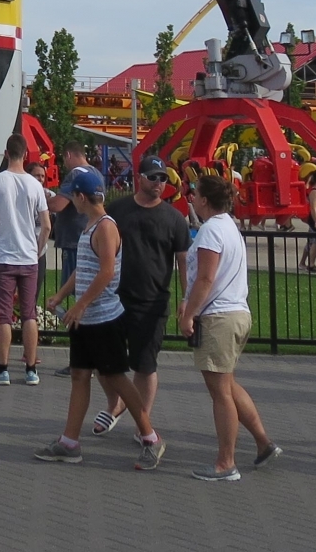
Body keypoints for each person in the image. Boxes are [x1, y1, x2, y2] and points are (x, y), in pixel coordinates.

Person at [33, 168, 166, 470]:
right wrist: (63, 295)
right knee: (80, 375)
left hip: (105, 318)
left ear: (81, 196)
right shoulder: (90, 225)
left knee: (116, 377)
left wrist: (79, 305)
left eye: (72, 196)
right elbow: (86, 268)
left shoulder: (105, 227)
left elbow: (107, 271)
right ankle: (69, 442)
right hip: (87, 320)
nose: (71, 201)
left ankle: (151, 438)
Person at [179, 174, 279, 482]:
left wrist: (188, 313)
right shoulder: (229, 227)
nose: (192, 198)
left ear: (205, 200)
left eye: (195, 194)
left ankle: (226, 463)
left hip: (219, 317)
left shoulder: (210, 231)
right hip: (237, 312)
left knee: (219, 391)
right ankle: (263, 443)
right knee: (229, 385)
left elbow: (205, 279)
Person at [92, 155, 188, 437]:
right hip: (115, 298)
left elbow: (183, 261)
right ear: (140, 178)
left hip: (152, 303)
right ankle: (115, 405)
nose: (159, 183)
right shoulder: (118, 210)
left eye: (164, 178)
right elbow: (100, 245)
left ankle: (141, 423)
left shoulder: (174, 218)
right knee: (105, 362)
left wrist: (186, 298)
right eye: (154, 177)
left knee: (144, 366)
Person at [0, 132, 51, 386]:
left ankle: (3, 369)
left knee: (4, 314)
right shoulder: (35, 185)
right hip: (28, 257)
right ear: (25, 155)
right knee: (29, 313)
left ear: (6, 153)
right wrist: (38, 249)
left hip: (3, 255)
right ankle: (31, 369)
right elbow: (46, 225)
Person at [45, 142, 90, 377]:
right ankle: (86, 357)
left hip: (73, 242)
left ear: (69, 155)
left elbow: (59, 204)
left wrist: (41, 199)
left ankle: (79, 360)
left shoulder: (75, 174)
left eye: (64, 159)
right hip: (84, 239)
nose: (64, 164)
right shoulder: (94, 173)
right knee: (83, 300)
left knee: (74, 302)